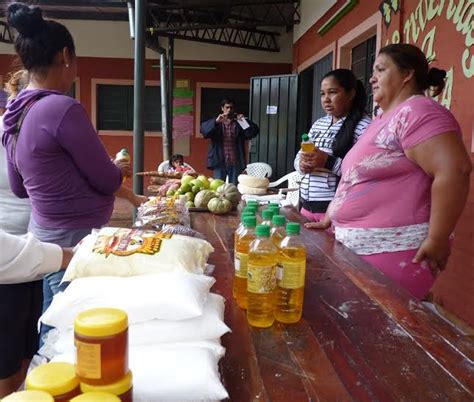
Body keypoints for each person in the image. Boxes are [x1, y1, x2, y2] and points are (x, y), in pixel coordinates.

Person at [2, 2, 130, 334]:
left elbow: (20, 188)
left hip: (42, 235)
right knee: (75, 331)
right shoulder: (62, 108)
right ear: (64, 56)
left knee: (52, 321)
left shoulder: (13, 113)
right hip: (77, 241)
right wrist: (116, 168)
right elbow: (105, 179)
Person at [306, 44, 471, 299]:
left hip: (394, 251)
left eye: (381, 70)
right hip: (357, 248)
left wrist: (437, 239)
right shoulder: (384, 118)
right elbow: (355, 177)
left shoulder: (418, 112)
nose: (372, 78)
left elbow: (454, 170)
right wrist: (332, 216)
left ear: (407, 74)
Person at [0, 229, 73, 397]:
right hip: (15, 266)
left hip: (33, 260)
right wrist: (74, 255)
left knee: (27, 359)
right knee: (6, 369)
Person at [295, 69, 371, 222]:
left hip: (335, 212)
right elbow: (299, 156)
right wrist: (301, 164)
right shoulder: (318, 124)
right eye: (323, 94)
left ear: (350, 94)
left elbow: (365, 171)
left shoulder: (364, 126)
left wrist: (328, 162)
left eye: (332, 92)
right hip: (306, 207)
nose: (326, 99)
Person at [200, 98, 259, 184]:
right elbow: (204, 131)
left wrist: (244, 122)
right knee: (218, 187)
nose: (229, 110)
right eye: (227, 107)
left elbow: (253, 133)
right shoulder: (216, 122)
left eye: (231, 108)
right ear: (222, 108)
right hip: (219, 161)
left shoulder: (239, 123)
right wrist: (216, 122)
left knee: (233, 189)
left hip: (235, 161)